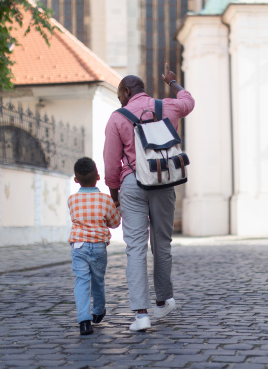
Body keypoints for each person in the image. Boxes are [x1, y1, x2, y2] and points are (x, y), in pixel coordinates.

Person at [103, 63, 195, 331]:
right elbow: (188, 101)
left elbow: (111, 164)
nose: (119, 98)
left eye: (120, 93)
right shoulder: (167, 106)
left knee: (135, 247)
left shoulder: (117, 117)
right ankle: (163, 301)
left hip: (132, 183)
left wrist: (115, 194)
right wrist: (173, 83)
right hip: (164, 180)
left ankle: (141, 315)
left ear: (125, 91)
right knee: (162, 243)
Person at [67, 157, 121, 335]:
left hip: (78, 246)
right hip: (98, 246)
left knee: (81, 281)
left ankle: (84, 321)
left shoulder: (72, 200)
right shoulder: (105, 200)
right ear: (98, 176)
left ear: (76, 179)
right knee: (98, 281)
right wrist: (116, 209)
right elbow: (114, 223)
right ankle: (98, 312)